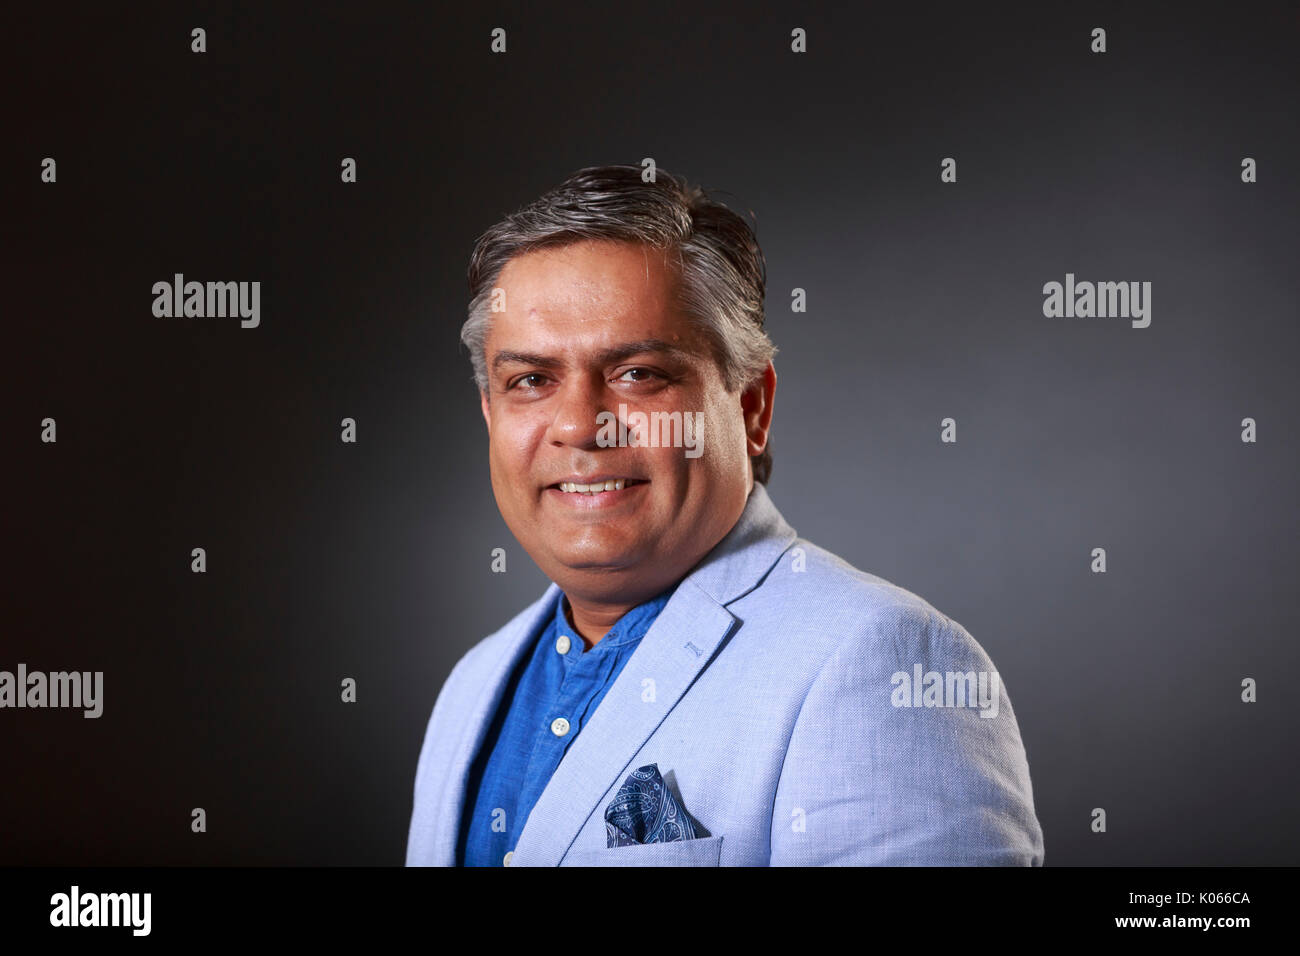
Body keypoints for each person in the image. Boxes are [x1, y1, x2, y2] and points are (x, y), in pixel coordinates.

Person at [406, 164, 1044, 866]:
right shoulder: (473, 685)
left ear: (751, 408)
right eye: (531, 380)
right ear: (490, 415)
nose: (581, 427)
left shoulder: (884, 664)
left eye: (639, 373)